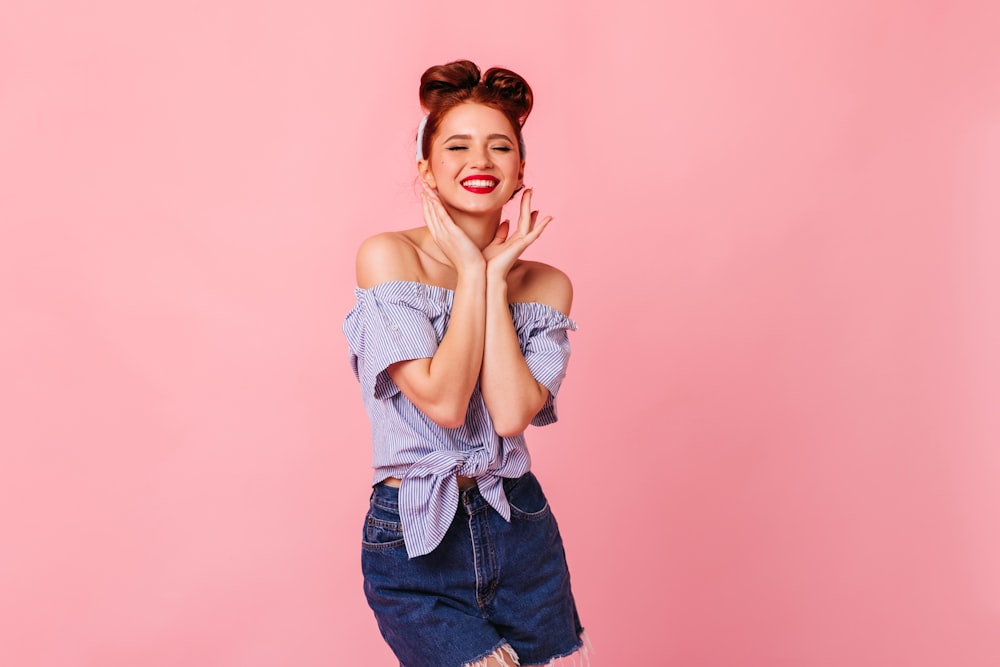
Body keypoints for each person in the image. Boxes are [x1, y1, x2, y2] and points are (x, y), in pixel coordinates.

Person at [344, 60, 589, 667]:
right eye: (458, 146)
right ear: (426, 168)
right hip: (417, 540)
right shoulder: (387, 257)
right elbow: (445, 403)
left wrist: (490, 275)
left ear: (520, 169)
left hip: (520, 528)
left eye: (499, 146)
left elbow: (509, 416)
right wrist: (477, 270)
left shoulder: (547, 284)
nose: (479, 160)